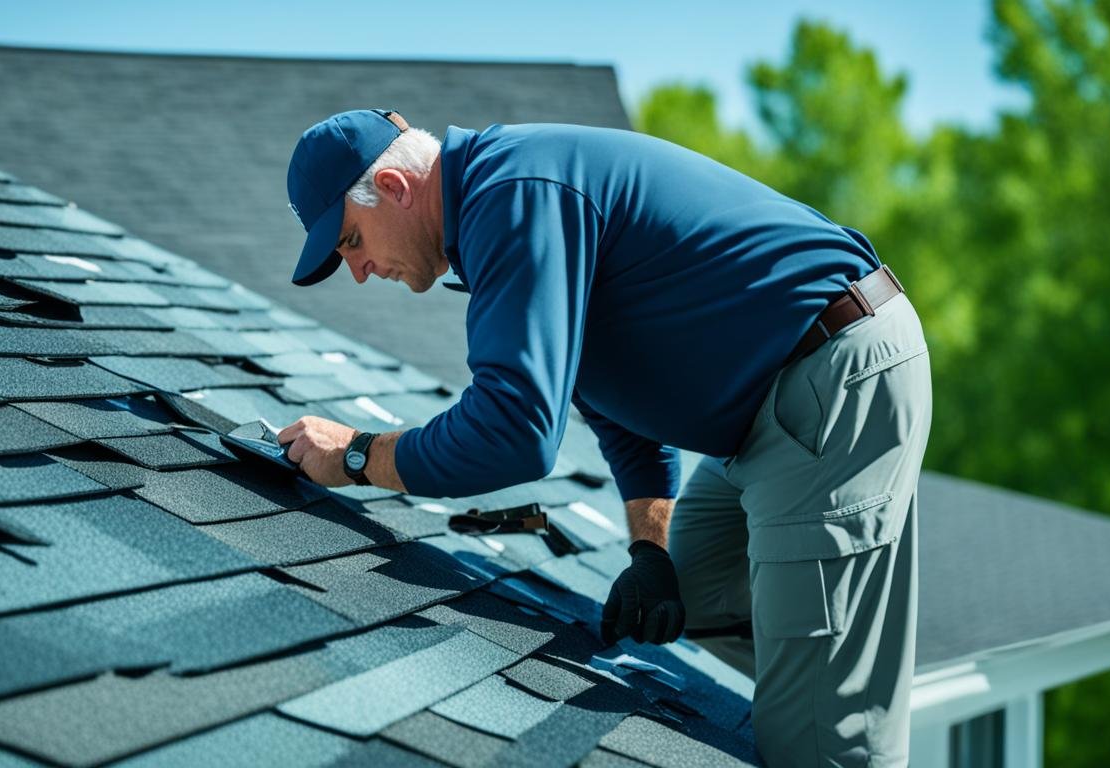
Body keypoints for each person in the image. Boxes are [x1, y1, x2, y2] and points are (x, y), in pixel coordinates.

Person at [278, 108, 932, 767]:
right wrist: (650, 553)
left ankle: (836, 699)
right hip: (778, 407)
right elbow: (622, 402)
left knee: (818, 746)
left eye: (352, 243)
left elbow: (515, 430)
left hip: (828, 376)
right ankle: (838, 664)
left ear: (393, 187)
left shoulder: (514, 196)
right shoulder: (510, 200)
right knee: (693, 593)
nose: (359, 271)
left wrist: (358, 456)